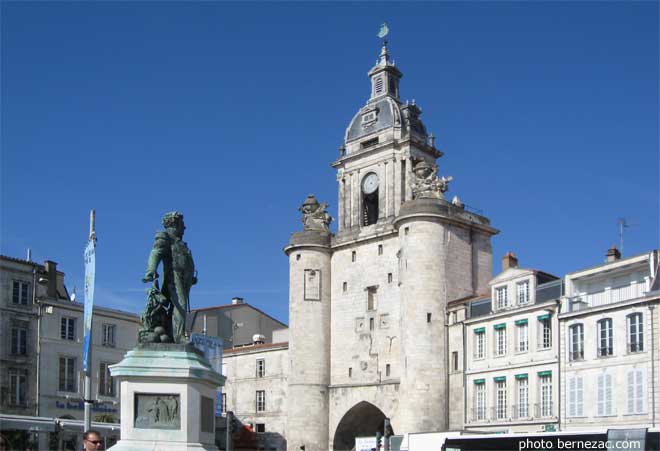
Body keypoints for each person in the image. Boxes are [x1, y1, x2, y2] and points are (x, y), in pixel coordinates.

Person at [142, 211, 197, 343]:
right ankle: (179, 337)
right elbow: (156, 252)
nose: (184, 228)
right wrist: (151, 270)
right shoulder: (165, 237)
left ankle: (173, 335)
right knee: (180, 305)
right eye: (182, 224)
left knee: (177, 307)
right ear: (175, 223)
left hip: (184, 280)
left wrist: (191, 278)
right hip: (173, 278)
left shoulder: (181, 243)